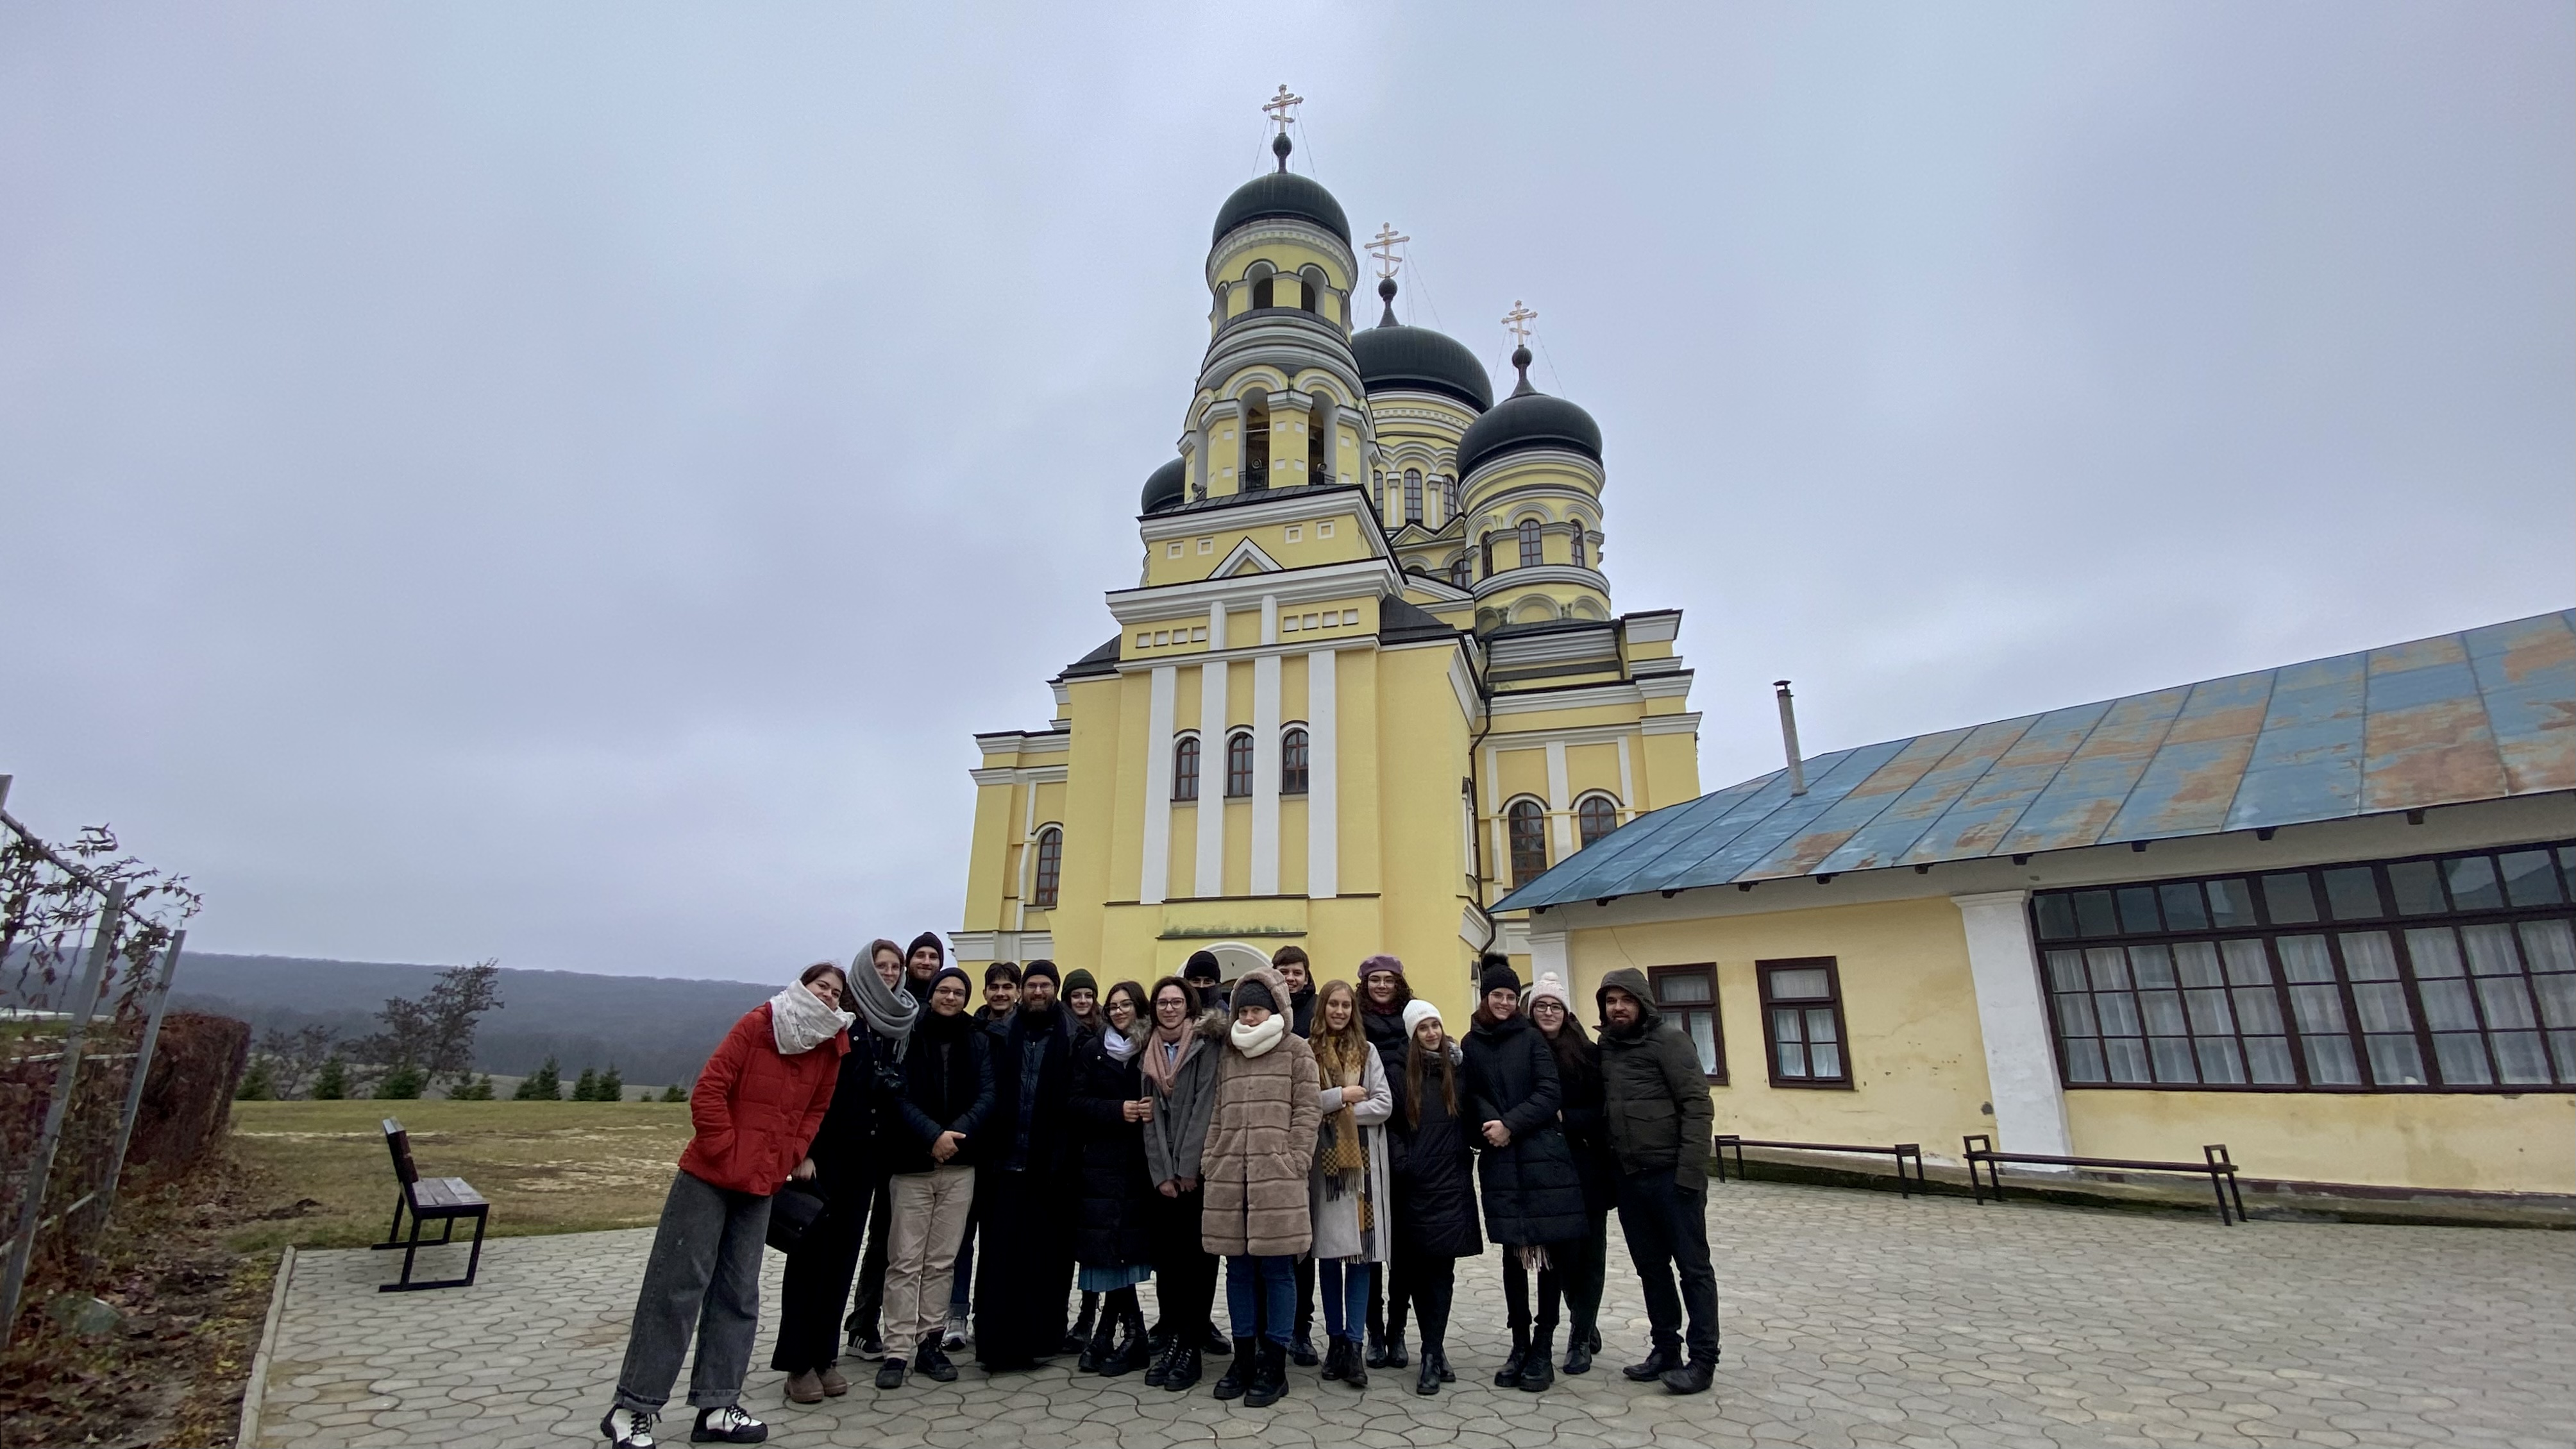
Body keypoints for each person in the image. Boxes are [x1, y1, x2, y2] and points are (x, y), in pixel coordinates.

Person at [602, 963, 849, 1449]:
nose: (827, 996)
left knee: (739, 1294)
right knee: (676, 1288)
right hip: (709, 1177)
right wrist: (726, 1150)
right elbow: (710, 1089)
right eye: (821, 986)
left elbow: (815, 1109)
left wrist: (789, 1153)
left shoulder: (830, 1046)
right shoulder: (759, 1022)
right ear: (803, 987)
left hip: (760, 1184)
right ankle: (632, 1407)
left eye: (836, 992)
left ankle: (717, 1405)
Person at [773, 942, 916, 1404]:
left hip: (864, 1156)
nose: (890, 973)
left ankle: (823, 1356)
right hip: (824, 1155)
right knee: (810, 1257)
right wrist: (802, 1150)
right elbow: (803, 1088)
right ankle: (796, 1361)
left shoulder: (895, 1025)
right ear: (864, 974)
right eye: (881, 967)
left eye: (895, 967)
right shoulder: (837, 1019)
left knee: (842, 1259)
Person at [1462, 958, 1586, 1393]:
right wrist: (1489, 1122)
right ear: (1485, 997)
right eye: (1497, 995)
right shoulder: (1471, 1042)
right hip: (1499, 1160)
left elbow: (1548, 1091)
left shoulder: (1531, 1039)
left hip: (1540, 1158)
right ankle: (1517, 1344)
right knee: (1513, 1256)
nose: (1504, 1002)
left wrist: (1510, 1124)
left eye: (1511, 997)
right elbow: (1470, 1091)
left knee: (1547, 1255)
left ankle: (1542, 1347)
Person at [1200, 966, 1320, 1409]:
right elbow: (1216, 1111)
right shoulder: (1229, 1053)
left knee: (1277, 1270)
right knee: (1239, 1270)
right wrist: (1212, 1157)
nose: (1249, 1018)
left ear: (1274, 1010)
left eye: (1257, 1010)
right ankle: (1243, 1358)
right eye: (1244, 1010)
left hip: (1277, 1179)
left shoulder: (1296, 1050)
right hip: (1231, 1177)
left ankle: (1274, 1362)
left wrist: (1293, 1161)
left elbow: (1307, 1112)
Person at [1596, 967, 1719, 1395]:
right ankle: (1665, 1348)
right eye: (1610, 1001)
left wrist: (1690, 1173)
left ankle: (1702, 1360)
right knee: (1651, 1269)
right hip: (1631, 1179)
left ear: (1642, 1002)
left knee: (1693, 1269)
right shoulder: (1607, 1046)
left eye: (1624, 999)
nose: (1617, 1007)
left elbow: (1697, 1105)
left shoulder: (1669, 1040)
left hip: (1672, 1177)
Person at [873, 965, 993, 1389]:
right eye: (944, 989)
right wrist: (932, 1136)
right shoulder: (908, 1036)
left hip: (960, 1164)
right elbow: (895, 1093)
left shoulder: (977, 1040)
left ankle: (929, 1342)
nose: (950, 997)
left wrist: (954, 1137)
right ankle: (896, 1349)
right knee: (904, 1260)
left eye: (958, 992)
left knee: (942, 1260)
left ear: (966, 997)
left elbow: (987, 1093)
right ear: (933, 994)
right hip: (912, 1160)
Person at [974, 959, 1082, 1371]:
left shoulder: (1074, 1036)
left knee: (1044, 1259)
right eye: (1032, 985)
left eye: (1045, 985)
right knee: (1000, 1259)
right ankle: (997, 1345)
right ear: (1023, 991)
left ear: (1055, 990)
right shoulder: (999, 1034)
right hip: (1003, 1162)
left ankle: (1041, 1339)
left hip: (1051, 1167)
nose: (1038, 992)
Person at [846, 933, 950, 1356]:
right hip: (875, 1134)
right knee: (881, 1238)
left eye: (934, 956)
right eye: (920, 955)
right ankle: (863, 1320)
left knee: (904, 1241)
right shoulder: (888, 1006)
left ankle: (909, 1326)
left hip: (909, 1138)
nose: (926, 961)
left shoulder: (925, 1007)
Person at [1385, 997, 1479, 1398]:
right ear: (1412, 1033)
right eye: (1423, 1027)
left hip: (1452, 1184)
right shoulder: (1398, 1073)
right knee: (1418, 1271)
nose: (1431, 1033)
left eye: (1436, 1025)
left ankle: (1433, 1351)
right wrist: (1405, 1162)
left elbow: (1471, 1117)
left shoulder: (1457, 1071)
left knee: (1443, 1273)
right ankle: (1422, 1347)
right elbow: (1388, 1126)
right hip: (1416, 1186)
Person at [1137, 974, 1224, 1391]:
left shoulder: (1205, 1046)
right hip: (1164, 1179)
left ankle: (1191, 1344)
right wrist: (1161, 1174)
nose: (1169, 1008)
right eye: (1162, 1002)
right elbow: (1148, 1117)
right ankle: (1173, 1340)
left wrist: (1187, 1169)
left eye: (1176, 1001)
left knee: (1198, 1261)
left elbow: (1203, 1108)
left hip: (1195, 1175)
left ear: (1188, 1006)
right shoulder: (1148, 1049)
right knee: (1169, 1263)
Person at [1304, 979, 1391, 1391]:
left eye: (1345, 1005)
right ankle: (1335, 1340)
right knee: (1328, 1255)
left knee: (1361, 1258)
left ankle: (1355, 1345)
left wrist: (1340, 1111)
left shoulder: (1367, 1051)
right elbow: (1303, 1104)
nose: (1339, 1011)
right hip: (1325, 1170)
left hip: (1363, 1171)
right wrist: (1341, 1096)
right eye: (1332, 1004)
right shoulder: (1308, 1051)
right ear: (1322, 1009)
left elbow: (1384, 1104)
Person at [1526, 972, 1612, 1376]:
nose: (1548, 1012)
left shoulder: (1587, 1052)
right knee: (1561, 1256)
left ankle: (1580, 1336)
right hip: (1543, 1169)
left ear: (1566, 1011)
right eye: (1541, 1006)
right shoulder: (1523, 1050)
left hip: (1585, 1166)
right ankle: (1582, 1315)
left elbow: (1603, 1110)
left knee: (1590, 1254)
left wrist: (1565, 1118)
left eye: (1555, 1006)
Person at [1070, 980, 1157, 1376]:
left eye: (1127, 1005)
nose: (1119, 1011)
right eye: (1114, 1005)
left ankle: (1111, 1332)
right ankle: (1128, 1332)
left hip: (1142, 1162)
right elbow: (1074, 1102)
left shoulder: (1152, 1048)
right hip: (1102, 1162)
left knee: (1128, 1247)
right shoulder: (1093, 1049)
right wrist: (1117, 1109)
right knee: (1108, 1248)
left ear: (1140, 1009)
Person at [939, 960, 1022, 1350]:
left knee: (998, 1239)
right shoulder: (970, 1031)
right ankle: (956, 1311)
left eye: (1008, 987)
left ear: (1018, 992)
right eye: (995, 987)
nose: (1001, 993)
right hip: (971, 1148)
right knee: (960, 1239)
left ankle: (990, 1312)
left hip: (1010, 1152)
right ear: (986, 993)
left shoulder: (1029, 1031)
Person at [1356, 954, 1413, 1369]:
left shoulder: (1413, 1021)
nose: (1380, 985)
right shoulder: (1355, 1027)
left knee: (1405, 1248)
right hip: (1366, 1143)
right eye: (1373, 979)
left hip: (1409, 1142)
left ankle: (1397, 1330)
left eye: (1387, 979)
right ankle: (1373, 1330)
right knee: (1370, 1244)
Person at [1267, 946, 1322, 1366]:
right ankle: (1271, 1326)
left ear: (1306, 974)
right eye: (1282, 971)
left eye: (1296, 970)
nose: (1290, 977)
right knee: (1266, 1241)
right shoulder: (1258, 1015)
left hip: (1305, 1139)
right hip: (1265, 1138)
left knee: (1300, 1242)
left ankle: (1300, 1328)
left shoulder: (1316, 1014)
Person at [1061, 965, 1107, 1355]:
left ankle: (1092, 1314)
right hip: (1069, 1147)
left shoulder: (1105, 1037)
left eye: (1088, 995)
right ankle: (1070, 1315)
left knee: (1094, 1240)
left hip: (1098, 1151)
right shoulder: (1060, 1031)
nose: (1082, 1001)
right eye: (1076, 995)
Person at [1183, 950, 1228, 1014]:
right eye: (1196, 981)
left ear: (1216, 984)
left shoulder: (1225, 1014)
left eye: (1208, 982)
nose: (1201, 986)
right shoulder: (1176, 1010)